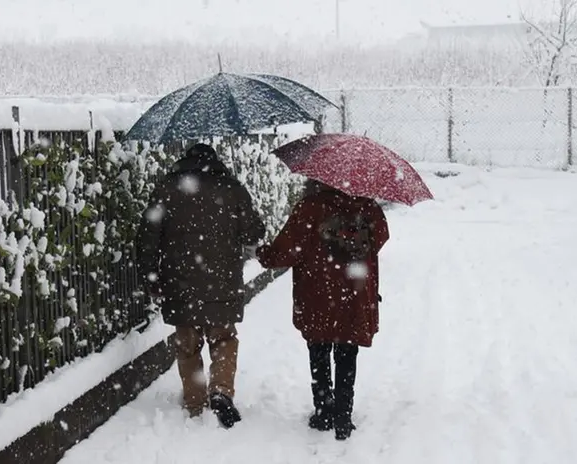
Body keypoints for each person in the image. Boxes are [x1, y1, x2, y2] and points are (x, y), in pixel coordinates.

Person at [136, 143, 265, 428]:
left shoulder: (166, 189)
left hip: (179, 280)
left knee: (187, 343)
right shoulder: (232, 189)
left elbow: (148, 236)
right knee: (224, 338)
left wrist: (149, 275)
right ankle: (220, 390)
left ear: (185, 161)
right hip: (222, 279)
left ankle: (195, 401)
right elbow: (253, 233)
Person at [256, 179, 389, 441]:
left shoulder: (310, 208)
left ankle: (323, 410)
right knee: (347, 352)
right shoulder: (368, 208)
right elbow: (381, 237)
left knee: (318, 350)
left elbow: (285, 251)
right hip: (354, 293)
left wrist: (264, 254)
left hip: (317, 293)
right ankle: (343, 415)